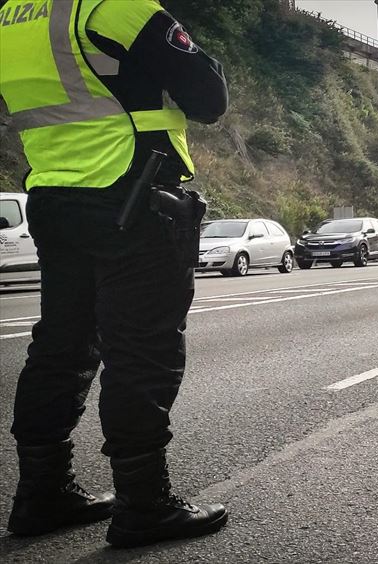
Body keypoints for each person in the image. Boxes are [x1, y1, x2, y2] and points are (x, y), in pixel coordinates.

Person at [0, 0, 229, 547]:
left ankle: (41, 493)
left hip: (54, 198)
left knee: (60, 347)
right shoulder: (116, 8)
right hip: (132, 196)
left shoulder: (12, 18)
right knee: (141, 351)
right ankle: (145, 505)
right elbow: (208, 100)